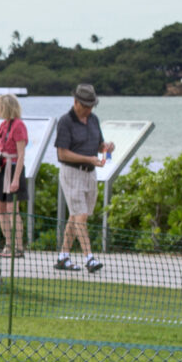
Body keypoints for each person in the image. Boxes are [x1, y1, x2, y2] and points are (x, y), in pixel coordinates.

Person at [53, 83, 113, 273]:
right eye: (86, 105)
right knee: (81, 215)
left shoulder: (93, 119)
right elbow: (62, 154)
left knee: (77, 214)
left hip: (90, 173)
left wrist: (106, 148)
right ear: (75, 102)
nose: (89, 109)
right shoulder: (65, 121)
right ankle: (90, 258)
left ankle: (63, 256)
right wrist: (87, 158)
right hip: (71, 172)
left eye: (91, 105)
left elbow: (98, 144)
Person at [0, 93, 30, 257]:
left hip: (13, 168)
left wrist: (16, 179)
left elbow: (21, 154)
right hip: (2, 168)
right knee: (1, 208)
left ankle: (18, 247)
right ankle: (8, 244)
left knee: (12, 208)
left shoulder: (18, 126)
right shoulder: (3, 125)